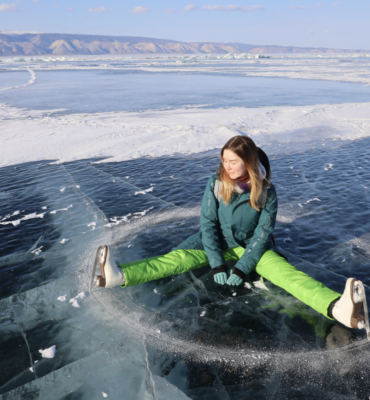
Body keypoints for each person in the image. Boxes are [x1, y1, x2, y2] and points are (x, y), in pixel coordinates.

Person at [93, 136, 367, 332]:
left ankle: (337, 309)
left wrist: (243, 267)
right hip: (210, 244)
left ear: (248, 161)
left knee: (288, 275)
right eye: (224, 160)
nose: (227, 166)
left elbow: (263, 233)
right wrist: (217, 264)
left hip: (252, 248)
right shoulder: (215, 184)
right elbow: (208, 224)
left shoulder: (266, 192)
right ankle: (119, 276)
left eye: (233, 161)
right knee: (174, 261)